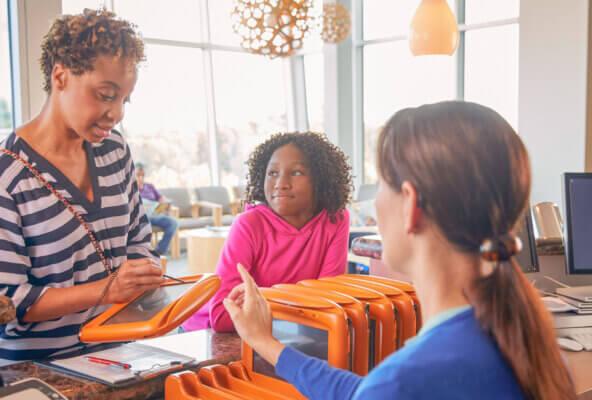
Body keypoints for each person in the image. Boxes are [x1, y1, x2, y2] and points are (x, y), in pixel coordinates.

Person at [223, 102, 577, 400]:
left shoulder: (408, 379)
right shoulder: (525, 343)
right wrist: (267, 344)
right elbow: (365, 393)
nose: (376, 203)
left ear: (411, 204)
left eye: (382, 185)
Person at [0, 9, 165, 362]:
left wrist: (146, 271)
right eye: (106, 95)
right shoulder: (7, 176)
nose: (117, 112)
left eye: (124, 99)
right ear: (60, 76)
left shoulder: (114, 150)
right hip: (42, 369)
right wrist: (107, 290)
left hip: (122, 355)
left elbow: (137, 240)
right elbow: (10, 302)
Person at [182, 132, 353, 332]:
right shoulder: (249, 224)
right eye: (272, 173)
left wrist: (261, 299)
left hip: (275, 332)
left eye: (296, 172)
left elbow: (328, 302)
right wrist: (301, 303)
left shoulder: (336, 219)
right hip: (204, 332)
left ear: (321, 180)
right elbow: (223, 315)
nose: (281, 183)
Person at [135, 163, 178, 255]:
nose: (141, 178)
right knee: (143, 225)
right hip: (141, 217)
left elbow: (161, 198)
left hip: (155, 215)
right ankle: (144, 253)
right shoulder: (131, 189)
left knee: (173, 223)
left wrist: (164, 202)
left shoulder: (150, 186)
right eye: (138, 175)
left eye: (142, 175)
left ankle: (160, 250)